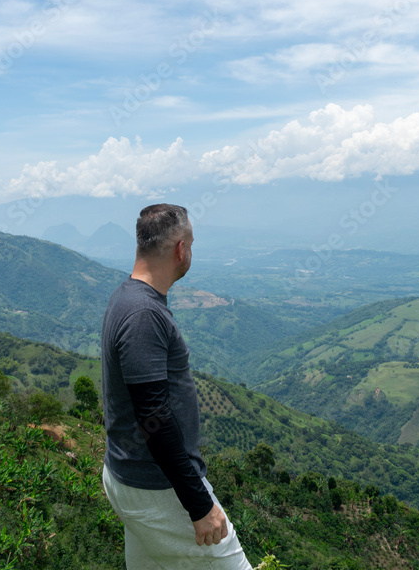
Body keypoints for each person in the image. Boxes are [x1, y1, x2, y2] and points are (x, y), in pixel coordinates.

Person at [101, 203, 253, 569]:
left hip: (132, 478)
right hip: (158, 488)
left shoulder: (126, 297)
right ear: (180, 249)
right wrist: (199, 505)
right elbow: (154, 418)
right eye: (192, 243)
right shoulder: (144, 314)